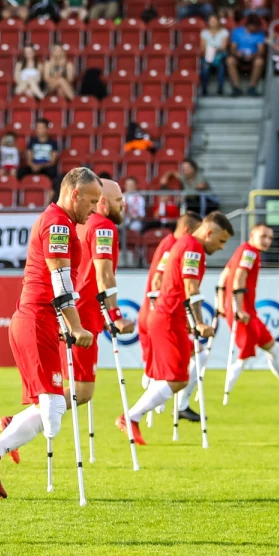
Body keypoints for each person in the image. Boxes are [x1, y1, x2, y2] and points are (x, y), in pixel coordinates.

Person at [0, 168, 102, 499]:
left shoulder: (60, 222)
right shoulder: (57, 223)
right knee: (54, 416)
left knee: (52, 408)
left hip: (38, 319)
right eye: (92, 200)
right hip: (37, 318)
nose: (95, 208)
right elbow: (59, 278)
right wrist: (74, 325)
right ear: (74, 194)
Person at [118, 212, 233, 441]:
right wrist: (199, 323)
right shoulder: (192, 248)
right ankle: (131, 417)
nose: (221, 248)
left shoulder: (183, 244)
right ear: (209, 232)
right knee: (178, 377)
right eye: (221, 241)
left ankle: (134, 416)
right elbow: (191, 288)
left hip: (169, 316)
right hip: (169, 317)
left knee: (177, 373)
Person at [216, 224, 279, 401]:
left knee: (274, 349)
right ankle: (223, 396)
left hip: (244, 311)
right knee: (244, 357)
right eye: (263, 236)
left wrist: (220, 304)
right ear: (252, 234)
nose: (267, 241)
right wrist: (238, 309)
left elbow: (224, 276)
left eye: (270, 238)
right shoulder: (250, 253)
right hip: (244, 313)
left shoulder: (242, 250)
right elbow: (239, 278)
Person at [65, 179, 133, 418]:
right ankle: (14, 427)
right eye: (118, 200)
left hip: (75, 310)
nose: (123, 204)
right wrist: (115, 315)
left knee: (75, 388)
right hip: (82, 316)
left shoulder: (80, 224)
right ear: (102, 202)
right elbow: (103, 273)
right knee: (82, 391)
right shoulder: (103, 226)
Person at [137, 212, 198, 411]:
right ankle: (178, 405)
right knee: (196, 355)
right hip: (161, 314)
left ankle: (173, 404)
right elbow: (157, 281)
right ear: (188, 230)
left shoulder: (170, 243)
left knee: (162, 369)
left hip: (156, 313)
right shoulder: (174, 246)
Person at [226, 14, 267, 96]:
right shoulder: (237, 32)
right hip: (239, 56)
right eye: (254, 26)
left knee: (259, 62)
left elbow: (261, 50)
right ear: (249, 25)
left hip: (253, 57)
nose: (256, 28)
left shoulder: (260, 34)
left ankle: (252, 87)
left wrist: (254, 55)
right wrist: (237, 53)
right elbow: (233, 47)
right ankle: (236, 87)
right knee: (229, 60)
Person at [200, 14, 230, 96]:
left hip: (219, 55)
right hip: (208, 55)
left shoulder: (224, 32)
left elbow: (223, 47)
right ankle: (204, 89)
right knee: (205, 68)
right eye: (211, 20)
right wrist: (211, 50)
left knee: (221, 67)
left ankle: (220, 89)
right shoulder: (204, 32)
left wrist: (212, 49)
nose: (212, 22)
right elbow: (202, 47)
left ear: (218, 21)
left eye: (214, 20)